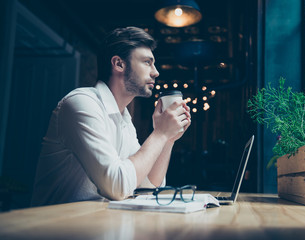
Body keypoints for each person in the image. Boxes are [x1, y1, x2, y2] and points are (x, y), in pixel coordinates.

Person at [31, 27, 191, 206]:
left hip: (93, 226)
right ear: (119, 64)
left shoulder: (124, 119)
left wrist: (168, 139)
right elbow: (118, 187)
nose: (156, 72)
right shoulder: (82, 103)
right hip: (54, 228)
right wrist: (159, 134)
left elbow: (146, 185)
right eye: (147, 62)